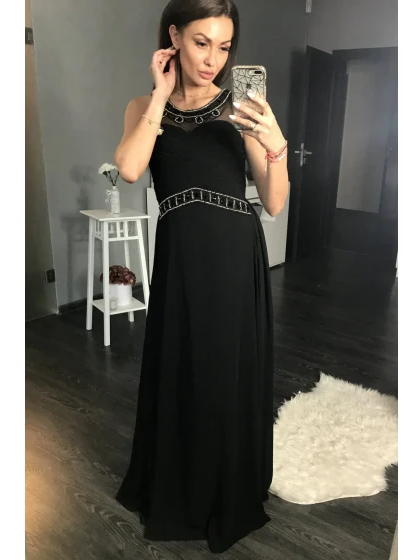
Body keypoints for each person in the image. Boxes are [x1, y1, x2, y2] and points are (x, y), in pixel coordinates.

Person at [114, 0, 289, 553]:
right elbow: (130, 168)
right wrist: (160, 95)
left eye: (224, 46)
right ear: (174, 37)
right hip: (181, 258)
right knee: (182, 367)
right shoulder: (143, 106)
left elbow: (274, 202)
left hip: (234, 256)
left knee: (222, 371)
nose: (213, 58)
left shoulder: (241, 107)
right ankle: (182, 484)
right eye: (201, 42)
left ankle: (224, 486)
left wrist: (275, 145)